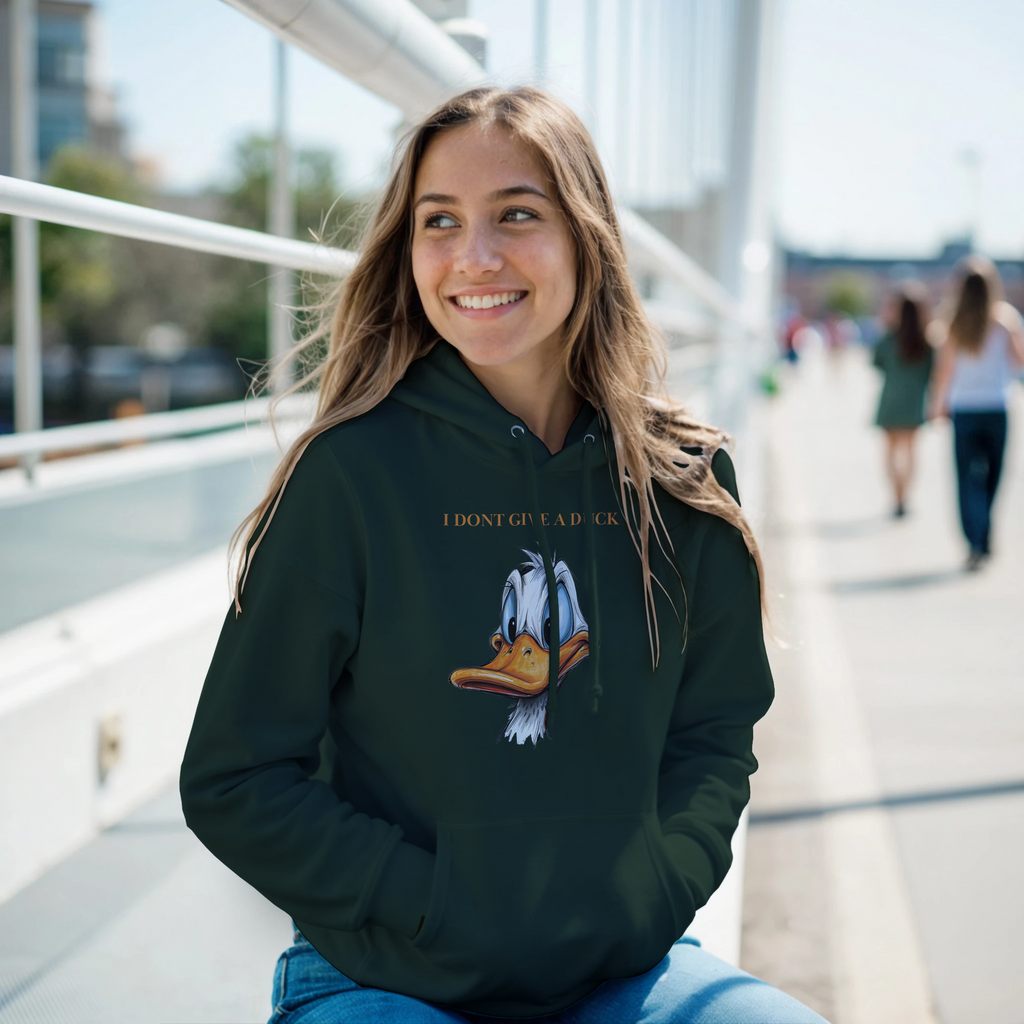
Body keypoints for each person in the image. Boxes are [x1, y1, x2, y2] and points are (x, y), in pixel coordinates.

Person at [179, 87, 825, 1024]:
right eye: (440, 222)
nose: (474, 257)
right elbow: (234, 777)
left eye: (517, 214)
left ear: (587, 236)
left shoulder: (684, 478)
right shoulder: (352, 474)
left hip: (622, 963)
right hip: (385, 970)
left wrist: (653, 888)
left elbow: (715, 732)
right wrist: (431, 903)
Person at [930, 256, 1024, 570]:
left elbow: (944, 371)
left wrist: (937, 405)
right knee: (993, 476)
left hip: (965, 408)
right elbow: (1019, 361)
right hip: (996, 406)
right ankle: (983, 532)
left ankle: (975, 537)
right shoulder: (1005, 319)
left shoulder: (952, 321)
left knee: (966, 478)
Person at [871, 283, 934, 517]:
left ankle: (895, 496)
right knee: (910, 453)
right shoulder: (928, 342)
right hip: (914, 404)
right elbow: (933, 374)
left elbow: (876, 363)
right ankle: (904, 496)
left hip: (891, 402)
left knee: (890, 452)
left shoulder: (889, 339)